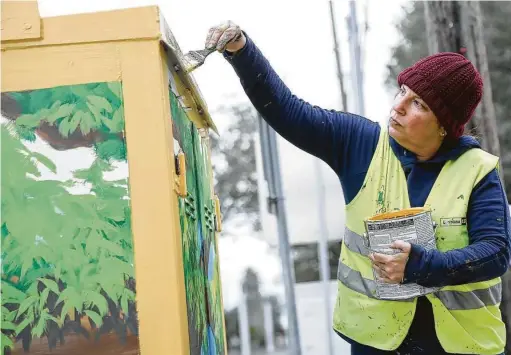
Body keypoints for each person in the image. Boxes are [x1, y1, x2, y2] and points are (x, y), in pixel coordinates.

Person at [203, 21, 511, 355]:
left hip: (458, 346)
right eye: (403, 91)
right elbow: (288, 111)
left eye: (418, 103)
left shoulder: (477, 169)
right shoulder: (361, 145)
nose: (399, 106)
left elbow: (496, 253)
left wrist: (422, 266)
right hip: (374, 343)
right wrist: (242, 51)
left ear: (444, 126)